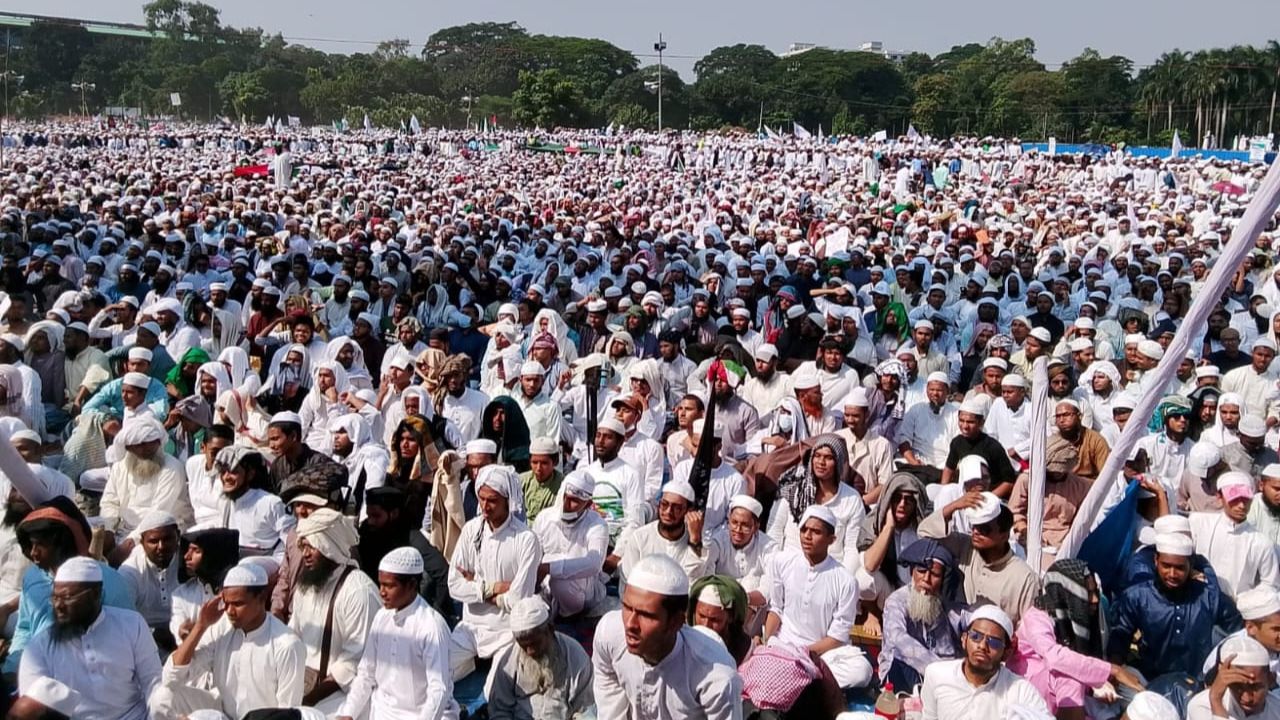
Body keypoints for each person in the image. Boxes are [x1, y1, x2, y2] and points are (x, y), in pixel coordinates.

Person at [592, 553, 742, 718]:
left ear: (676, 622)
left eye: (646, 615)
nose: (630, 624)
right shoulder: (610, 632)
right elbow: (608, 696)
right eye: (627, 608)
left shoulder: (716, 678)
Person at [155, 561, 307, 719]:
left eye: (238, 604)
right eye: (226, 604)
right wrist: (200, 626)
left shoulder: (287, 645)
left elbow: (288, 714)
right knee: (163, 697)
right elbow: (171, 678)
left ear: (262, 597)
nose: (230, 611)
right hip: (222, 713)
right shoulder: (221, 628)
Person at [17, 557, 162, 720]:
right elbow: (31, 707)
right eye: (55, 598)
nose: (59, 606)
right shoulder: (40, 645)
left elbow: (153, 683)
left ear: (96, 594)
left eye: (67, 597)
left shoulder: (132, 624)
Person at [1008, 558, 1146, 717]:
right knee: (1071, 679)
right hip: (1033, 688)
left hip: (1067, 691)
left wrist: (1098, 683)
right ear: (1066, 593)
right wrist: (1112, 670)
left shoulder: (1075, 619)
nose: (1095, 599)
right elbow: (1055, 658)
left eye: (1095, 592)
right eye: (1087, 593)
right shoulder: (1036, 618)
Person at [336, 546, 458, 720]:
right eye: (381, 584)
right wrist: (348, 713)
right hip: (382, 712)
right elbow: (366, 674)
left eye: (389, 586)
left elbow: (438, 692)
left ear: (412, 585)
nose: (382, 592)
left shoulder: (431, 626)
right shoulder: (381, 617)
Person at [447, 464, 542, 679]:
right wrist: (495, 588)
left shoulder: (526, 539)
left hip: (507, 632)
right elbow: (454, 586)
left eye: (492, 500)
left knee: (497, 691)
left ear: (507, 501)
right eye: (482, 499)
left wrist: (476, 588)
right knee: (437, 671)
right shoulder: (472, 529)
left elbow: (519, 600)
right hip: (470, 628)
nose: (485, 506)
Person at [1108, 532, 1244, 682]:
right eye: (1166, 566)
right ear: (1155, 561)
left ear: (1190, 566)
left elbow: (1239, 634)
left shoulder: (1210, 597)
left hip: (1200, 685)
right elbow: (1119, 638)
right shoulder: (1137, 596)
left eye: (1180, 568)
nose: (1172, 574)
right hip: (1148, 684)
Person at [765, 505, 872, 689]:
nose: (807, 536)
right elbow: (776, 609)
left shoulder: (846, 581)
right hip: (785, 647)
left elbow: (837, 637)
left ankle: (795, 679)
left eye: (815, 532)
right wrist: (766, 641)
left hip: (822, 654)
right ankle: (807, 681)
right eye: (804, 529)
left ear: (831, 539)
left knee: (862, 670)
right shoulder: (782, 562)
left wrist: (805, 653)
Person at [288, 508, 380, 713]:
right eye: (303, 547)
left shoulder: (358, 591)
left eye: (312, 547)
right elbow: (291, 635)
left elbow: (355, 662)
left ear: (329, 546)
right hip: (303, 684)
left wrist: (310, 699)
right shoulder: (306, 585)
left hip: (342, 693)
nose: (305, 554)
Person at [918, 491, 1041, 624]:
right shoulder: (966, 547)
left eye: (984, 529)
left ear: (1004, 535)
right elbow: (924, 534)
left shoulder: (1025, 578)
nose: (976, 532)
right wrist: (955, 506)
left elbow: (1029, 629)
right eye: (974, 526)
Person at [920, 605, 1050, 720]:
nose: (982, 646)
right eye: (976, 637)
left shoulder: (1020, 690)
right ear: (964, 639)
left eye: (994, 642)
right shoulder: (936, 674)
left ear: (1006, 652)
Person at [487, 596, 594, 719]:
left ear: (550, 629)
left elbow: (586, 709)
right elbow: (500, 710)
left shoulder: (575, 656)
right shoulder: (508, 662)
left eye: (535, 643)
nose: (530, 651)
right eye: (524, 646)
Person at [879, 538, 964, 689]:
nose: (926, 579)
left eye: (935, 574)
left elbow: (968, 617)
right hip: (906, 671)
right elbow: (899, 639)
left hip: (944, 675)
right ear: (912, 572)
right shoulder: (896, 601)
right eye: (921, 571)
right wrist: (941, 670)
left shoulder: (944, 604)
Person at [1184, 471, 1280, 599]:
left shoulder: (1261, 542)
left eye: (1246, 500)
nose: (1241, 506)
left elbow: (1271, 584)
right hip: (1197, 601)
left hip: (1237, 610)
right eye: (1235, 499)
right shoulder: (1198, 524)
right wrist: (1190, 571)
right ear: (1219, 497)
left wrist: (1248, 601)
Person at [532, 470, 610, 620]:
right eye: (565, 497)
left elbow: (594, 564)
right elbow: (534, 554)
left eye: (575, 500)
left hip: (582, 590)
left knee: (559, 582)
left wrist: (550, 568)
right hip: (545, 588)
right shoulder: (544, 518)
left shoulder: (597, 525)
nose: (567, 504)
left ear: (588, 504)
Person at [116, 510, 182, 651]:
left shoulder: (188, 562)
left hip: (184, 634)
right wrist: (153, 634)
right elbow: (123, 620)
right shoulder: (130, 571)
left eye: (167, 539)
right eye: (153, 541)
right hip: (142, 638)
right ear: (142, 542)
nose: (161, 547)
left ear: (178, 536)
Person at [1187, 635, 1279, 720]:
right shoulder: (1202, 706)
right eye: (1237, 687)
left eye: (1255, 687)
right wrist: (1216, 701)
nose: (1247, 698)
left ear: (1270, 679)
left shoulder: (1277, 708)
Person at [519, 437, 564, 522]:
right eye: (535, 463)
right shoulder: (521, 481)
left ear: (555, 462)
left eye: (544, 463)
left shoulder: (563, 484)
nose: (538, 468)